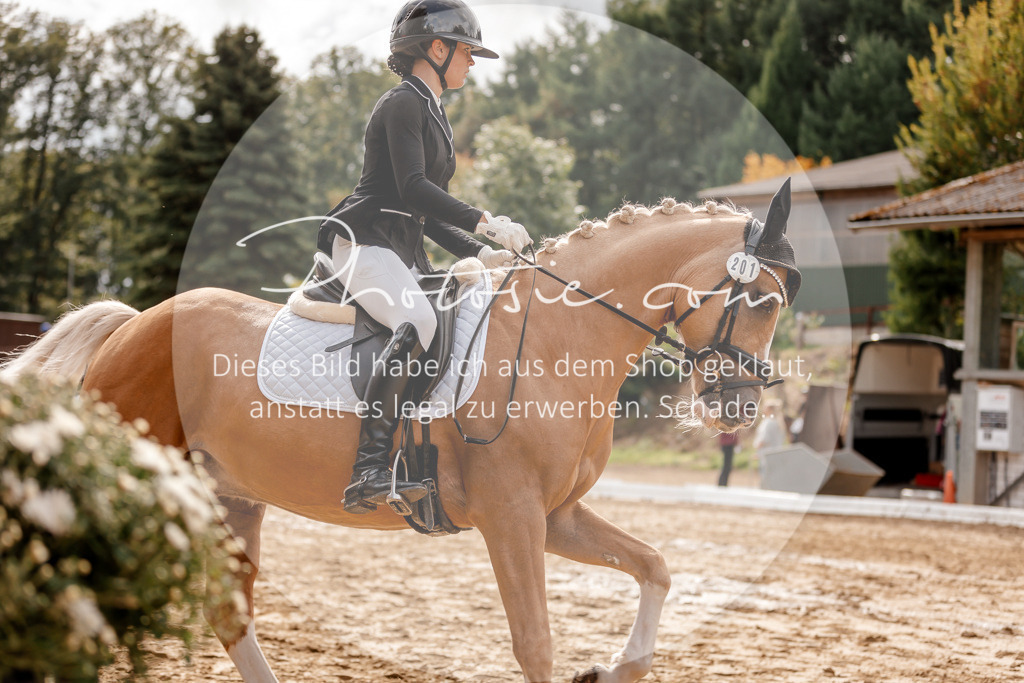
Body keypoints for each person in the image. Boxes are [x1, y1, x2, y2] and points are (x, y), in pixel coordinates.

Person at [317, 0, 533, 514]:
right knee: (417, 318)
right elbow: (414, 191)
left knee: (465, 307)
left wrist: (484, 252)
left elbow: (428, 219)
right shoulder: (401, 104)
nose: (472, 63)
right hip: (362, 240)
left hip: (401, 248)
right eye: (467, 51)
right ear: (437, 49)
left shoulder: (434, 114)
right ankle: (368, 465)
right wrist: (486, 220)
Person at [753, 399, 788, 482]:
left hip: (766, 454)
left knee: (766, 478)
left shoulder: (768, 423)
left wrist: (757, 451)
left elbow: (763, 439)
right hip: (776, 453)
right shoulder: (778, 422)